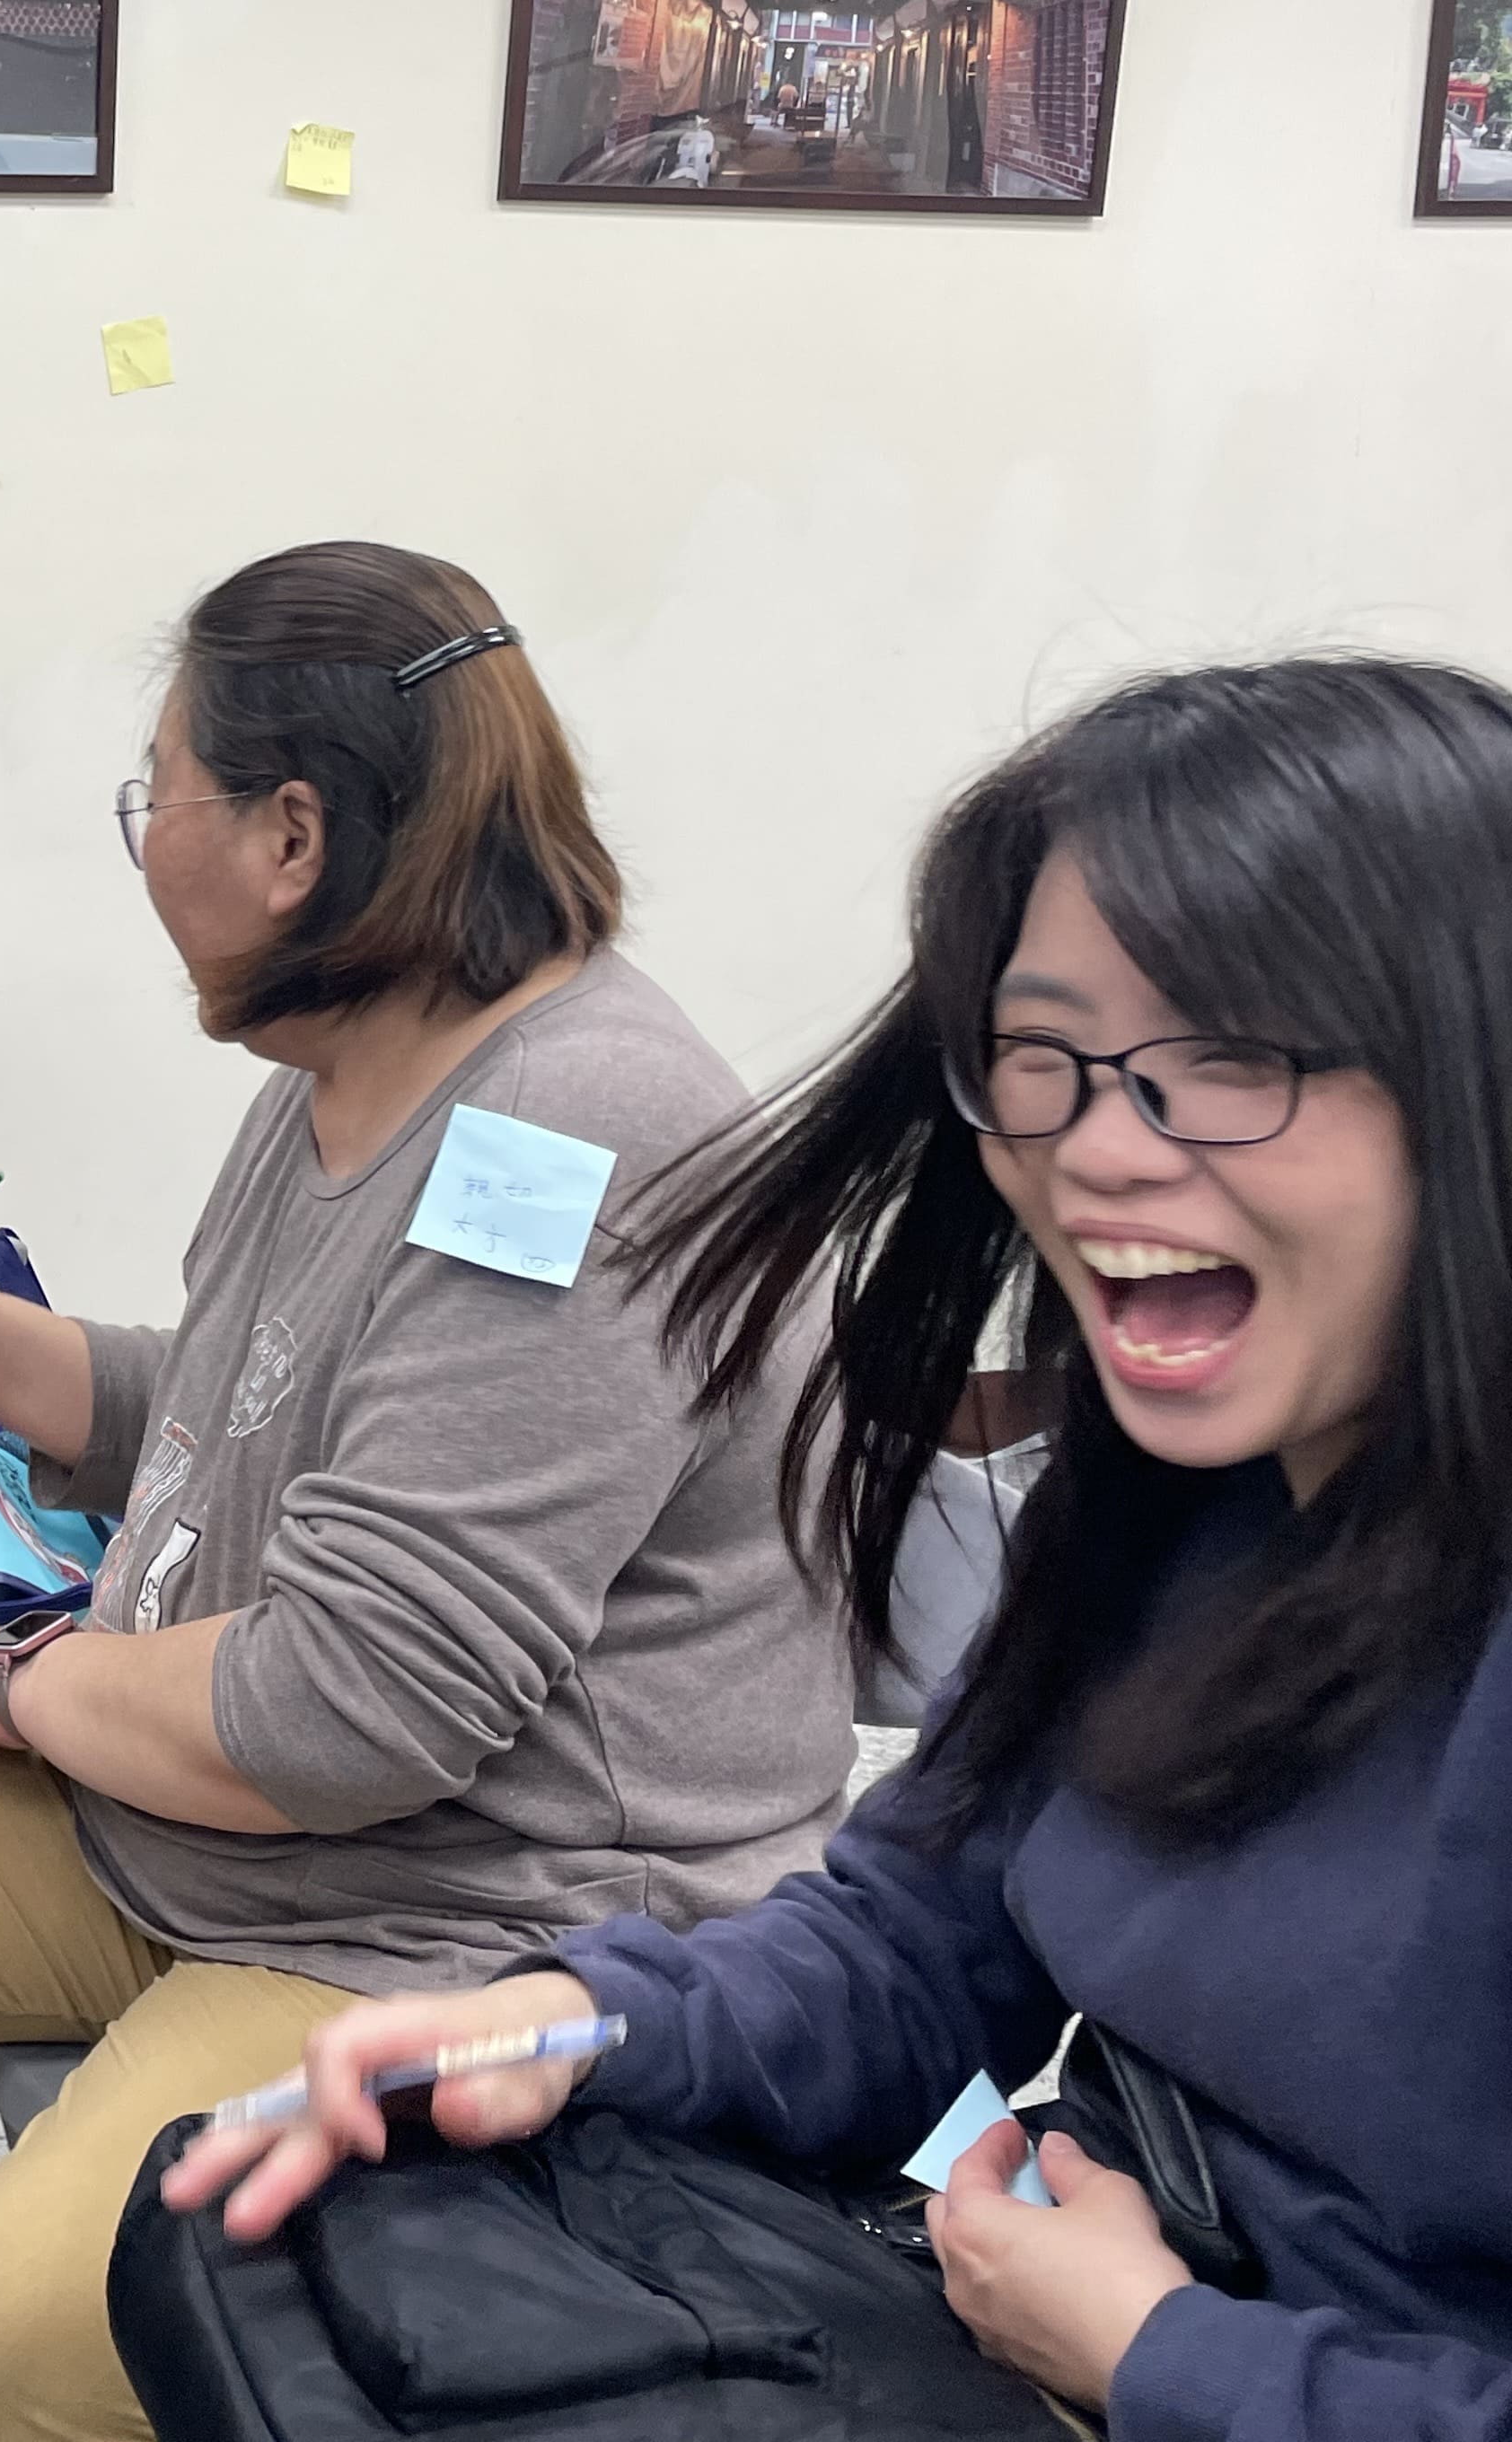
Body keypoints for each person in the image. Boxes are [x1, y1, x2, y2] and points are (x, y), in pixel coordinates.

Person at [166, 658, 1512, 2442]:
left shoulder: (574, 1111)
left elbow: (363, 1691)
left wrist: (1155, 2350)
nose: (1099, 1148)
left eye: (1236, 1057)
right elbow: (924, 1930)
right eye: (1040, 1058)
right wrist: (567, 2023)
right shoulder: (1173, 1502)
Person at [0, 541, 853, 2442]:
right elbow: (246, 1415)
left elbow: (349, 1712)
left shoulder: (561, 1141)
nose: (144, 848)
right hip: (233, 1824)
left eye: (155, 796)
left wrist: (13, 1675)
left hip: (466, 1916)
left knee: (22, 2325)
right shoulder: (354, 1058)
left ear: (290, 835)